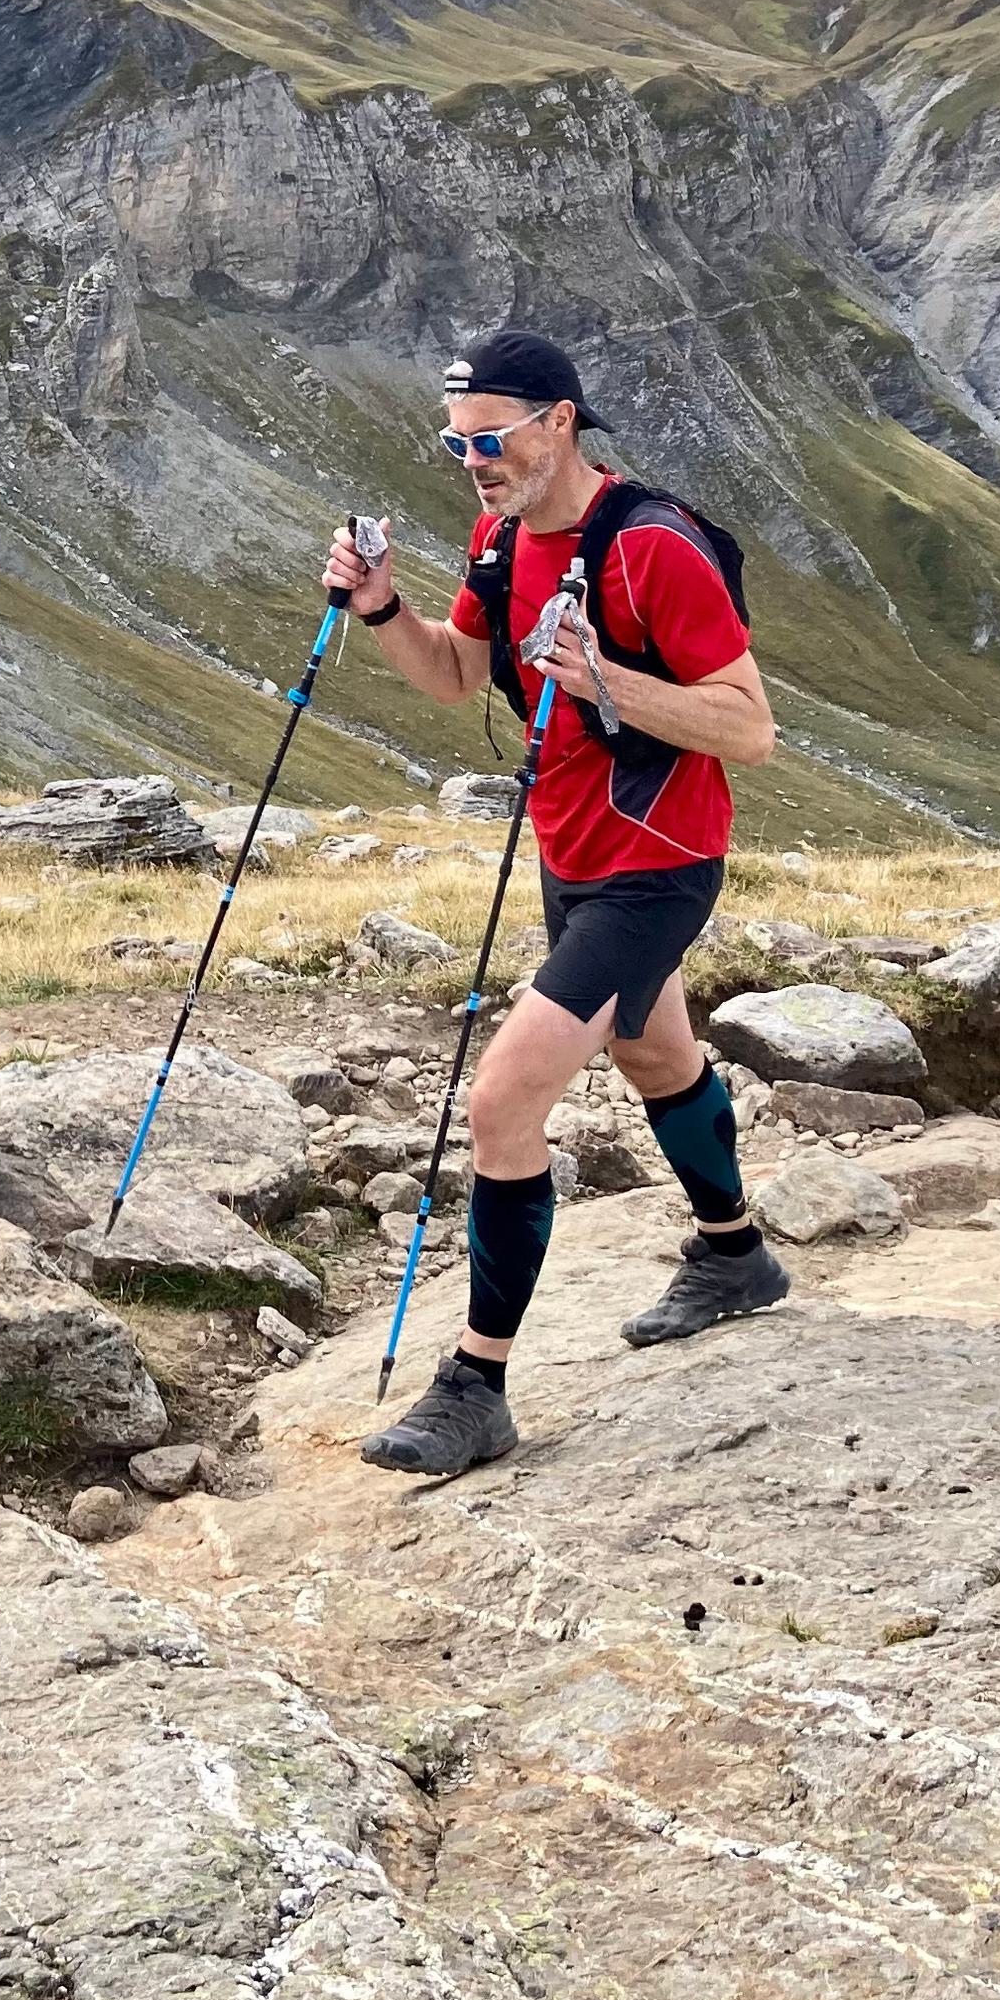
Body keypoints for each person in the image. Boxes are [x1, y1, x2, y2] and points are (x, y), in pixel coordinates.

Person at [325, 329, 785, 1477]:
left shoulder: (652, 549)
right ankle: (735, 1257)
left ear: (558, 422)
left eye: (489, 439)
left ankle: (476, 1385)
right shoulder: (496, 538)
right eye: (455, 441)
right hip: (571, 853)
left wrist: (606, 682)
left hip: (660, 860)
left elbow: (750, 727)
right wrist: (383, 607)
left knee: (500, 1105)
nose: (471, 460)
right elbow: (457, 675)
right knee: (650, 1053)